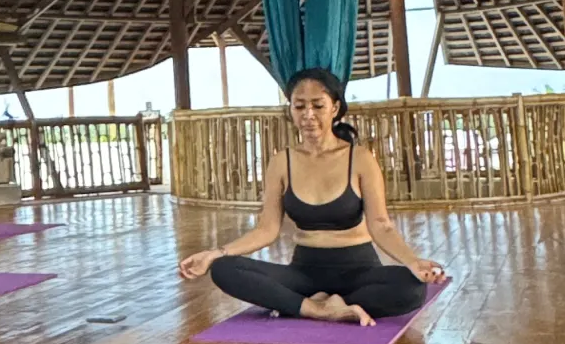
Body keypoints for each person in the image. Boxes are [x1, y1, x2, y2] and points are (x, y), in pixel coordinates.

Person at [177, 68, 446, 326]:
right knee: (225, 269)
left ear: (335, 108)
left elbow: (381, 224)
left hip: (358, 271)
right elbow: (266, 229)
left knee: (412, 288)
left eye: (317, 106)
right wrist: (214, 253)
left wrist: (412, 261)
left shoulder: (360, 158)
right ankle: (318, 309)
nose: (308, 114)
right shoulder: (282, 162)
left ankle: (317, 303)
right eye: (299, 106)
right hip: (303, 272)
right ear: (290, 109)